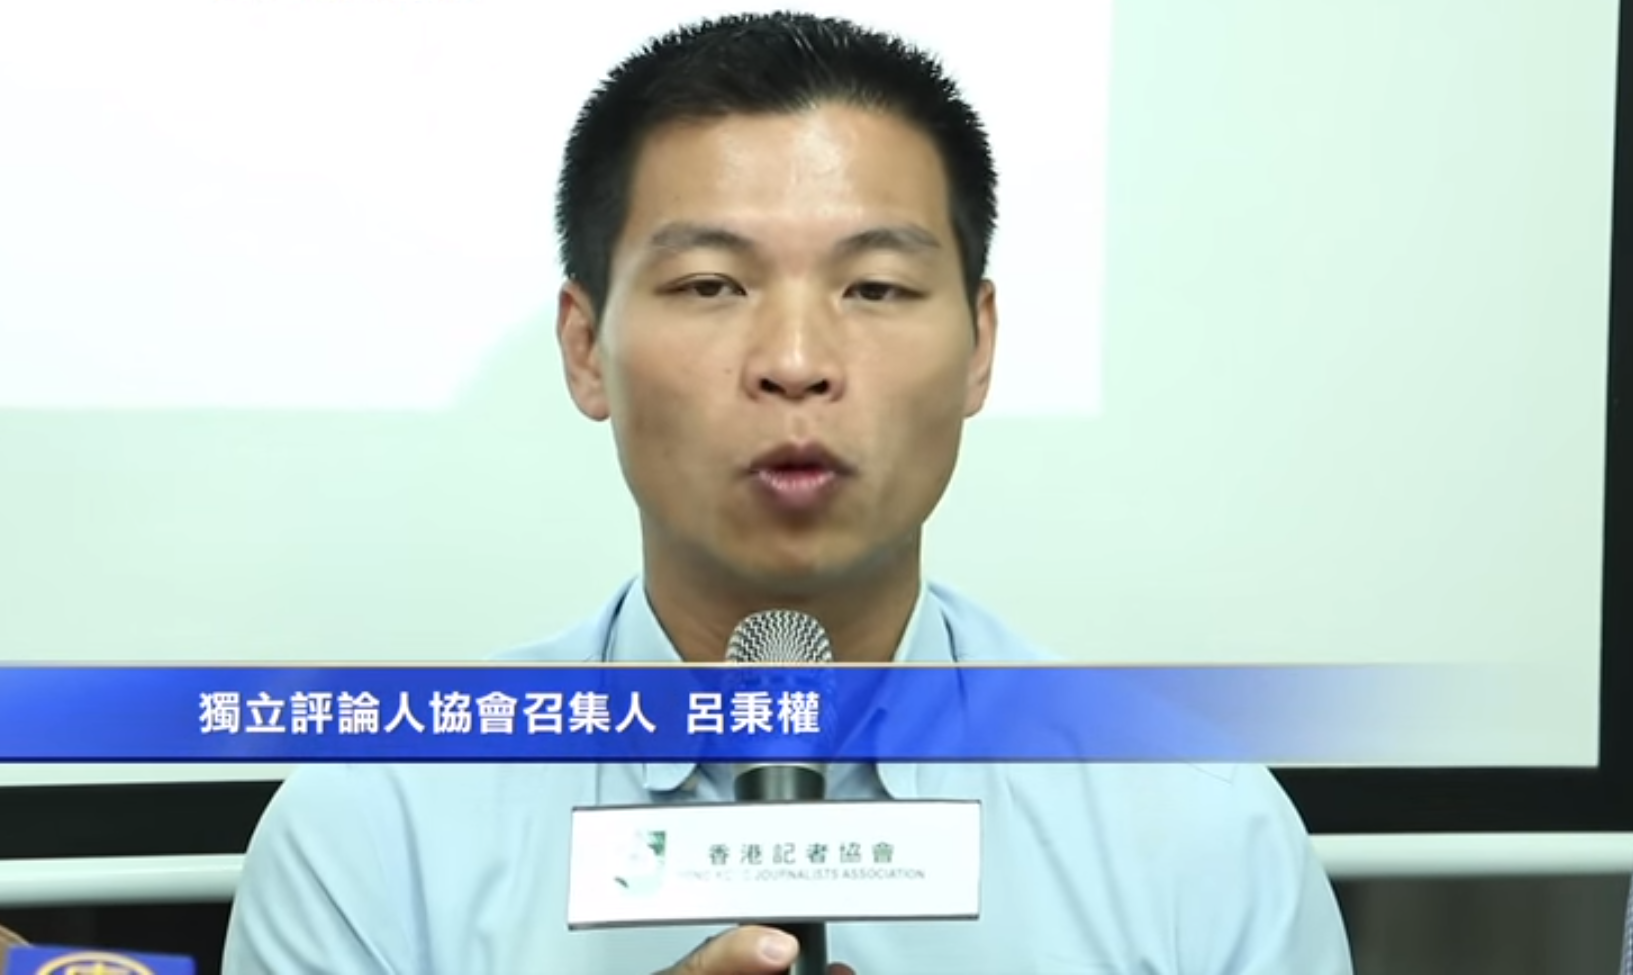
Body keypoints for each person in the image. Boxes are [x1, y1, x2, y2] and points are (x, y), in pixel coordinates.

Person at [222, 11, 1354, 974]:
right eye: (712, 284)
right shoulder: (374, 837)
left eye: (875, 286)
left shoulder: (1200, 830)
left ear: (979, 346)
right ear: (583, 349)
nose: (797, 360)